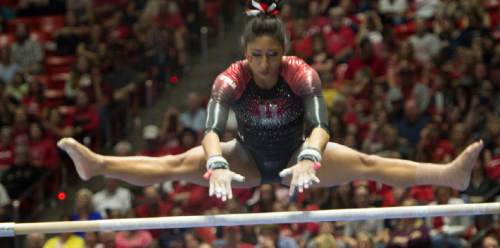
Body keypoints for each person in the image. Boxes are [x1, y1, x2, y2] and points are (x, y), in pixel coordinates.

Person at [57, 0, 483, 202]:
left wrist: (310, 158)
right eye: (256, 56)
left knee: (369, 165)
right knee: (174, 164)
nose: (264, 64)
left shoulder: (300, 73)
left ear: (284, 52)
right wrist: (217, 163)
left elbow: (320, 125)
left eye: (272, 55)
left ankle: (448, 176)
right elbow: (209, 132)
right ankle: (97, 165)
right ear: (246, 54)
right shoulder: (231, 78)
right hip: (243, 158)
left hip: (299, 153)